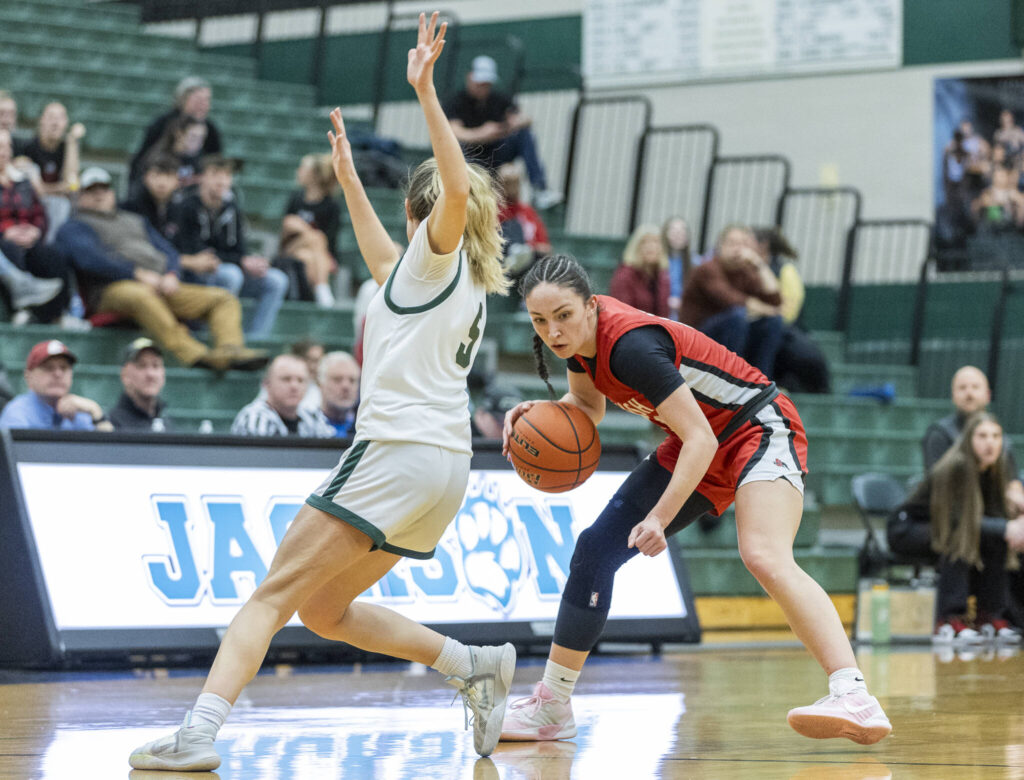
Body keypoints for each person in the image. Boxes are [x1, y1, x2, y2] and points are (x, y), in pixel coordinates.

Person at [129, 15, 515, 771]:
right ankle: (471, 665)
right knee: (323, 608)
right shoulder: (452, 281)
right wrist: (346, 178)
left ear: (430, 214)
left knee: (269, 596)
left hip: (396, 454)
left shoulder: (436, 256)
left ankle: (199, 734)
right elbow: (379, 258)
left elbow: (452, 186)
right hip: (445, 470)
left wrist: (427, 91)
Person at [498, 254, 891, 746]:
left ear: (591, 305)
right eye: (540, 321)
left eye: (563, 316)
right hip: (696, 440)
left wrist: (660, 518)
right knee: (596, 549)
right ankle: (551, 707)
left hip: (757, 426)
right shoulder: (578, 347)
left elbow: (702, 439)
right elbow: (586, 407)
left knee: (764, 554)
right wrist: (536, 413)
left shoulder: (630, 346)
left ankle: (852, 692)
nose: (553, 331)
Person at [56, 167, 268, 372]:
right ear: (80, 196)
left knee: (223, 298)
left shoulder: (134, 219)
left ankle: (231, 350)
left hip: (160, 283)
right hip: (112, 290)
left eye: (104, 190)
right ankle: (195, 354)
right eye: (91, 191)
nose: (99, 195)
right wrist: (136, 274)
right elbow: (91, 260)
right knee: (140, 295)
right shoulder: (74, 226)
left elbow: (169, 252)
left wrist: (171, 274)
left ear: (112, 193)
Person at [888, 412, 1024, 643]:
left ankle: (989, 616)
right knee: (959, 538)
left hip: (947, 527)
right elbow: (958, 522)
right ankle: (948, 620)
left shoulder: (995, 468)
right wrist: (1006, 528)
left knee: (993, 540)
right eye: (982, 436)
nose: (990, 442)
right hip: (909, 527)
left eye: (995, 436)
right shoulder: (955, 466)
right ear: (968, 440)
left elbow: (993, 517)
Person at [171, 155, 289, 339]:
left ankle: (255, 339)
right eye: (216, 174)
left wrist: (251, 261)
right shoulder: (187, 206)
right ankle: (221, 337)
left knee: (276, 280)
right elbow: (196, 252)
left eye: (227, 175)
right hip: (195, 273)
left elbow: (239, 249)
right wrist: (241, 261)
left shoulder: (232, 207)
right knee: (231, 275)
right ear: (202, 177)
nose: (222, 180)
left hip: (226, 267)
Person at [444, 55, 561, 209]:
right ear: (470, 78)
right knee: (460, 151)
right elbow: (455, 132)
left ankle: (540, 188)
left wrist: (511, 125)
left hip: (497, 152)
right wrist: (482, 133)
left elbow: (524, 119)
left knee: (524, 134)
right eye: (480, 83)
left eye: (487, 84)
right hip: (472, 156)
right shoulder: (456, 102)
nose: (483, 88)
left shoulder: (498, 99)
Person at [680, 224, 784, 379]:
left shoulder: (745, 271)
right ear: (720, 246)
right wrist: (765, 309)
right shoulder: (707, 269)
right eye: (732, 243)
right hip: (697, 338)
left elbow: (775, 300)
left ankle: (762, 381)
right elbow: (730, 299)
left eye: (743, 244)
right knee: (737, 316)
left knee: (773, 321)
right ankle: (732, 378)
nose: (738, 249)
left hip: (732, 335)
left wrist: (759, 263)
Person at [0, 128, 75, 325]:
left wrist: (35, 230)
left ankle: (58, 314)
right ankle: (20, 311)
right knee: (10, 251)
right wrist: (6, 232)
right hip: (4, 240)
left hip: (28, 236)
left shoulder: (22, 181)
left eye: (7, 146)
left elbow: (39, 213)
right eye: (0, 146)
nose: (4, 151)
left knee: (52, 256)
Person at [753, 226, 830, 394]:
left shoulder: (785, 270)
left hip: (788, 337)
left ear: (763, 245)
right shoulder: (747, 271)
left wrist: (760, 310)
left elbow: (788, 313)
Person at [0, 339, 113, 431]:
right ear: (28, 377)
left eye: (64, 368)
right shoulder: (17, 414)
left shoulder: (81, 412)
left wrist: (96, 411)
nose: (58, 374)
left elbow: (110, 454)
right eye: (48, 368)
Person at [131, 77, 222, 186]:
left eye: (207, 100)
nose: (204, 105)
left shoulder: (210, 129)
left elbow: (216, 161)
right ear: (183, 99)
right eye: (198, 100)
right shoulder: (162, 124)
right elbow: (142, 160)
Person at [279, 153, 341, 307]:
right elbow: (285, 230)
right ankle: (322, 289)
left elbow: (329, 242)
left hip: (320, 254)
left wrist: (302, 228)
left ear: (315, 176)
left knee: (307, 256)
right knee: (316, 237)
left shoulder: (331, 206)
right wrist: (306, 233)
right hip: (292, 248)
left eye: (302, 168)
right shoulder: (296, 198)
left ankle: (308, 302)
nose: (298, 171)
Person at [231, 354, 334, 438]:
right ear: (266, 384)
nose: (294, 386)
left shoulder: (312, 417)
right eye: (286, 379)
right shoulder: (254, 418)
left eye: (300, 380)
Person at [496, 163, 551, 280]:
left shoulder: (527, 212)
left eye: (515, 182)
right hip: (501, 255)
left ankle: (520, 255)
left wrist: (530, 249)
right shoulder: (492, 210)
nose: (511, 187)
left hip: (528, 259)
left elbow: (545, 247)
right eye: (507, 182)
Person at [107, 337, 172, 432]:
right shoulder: (111, 425)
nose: (150, 374)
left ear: (163, 374)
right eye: (141, 366)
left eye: (156, 365)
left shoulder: (166, 422)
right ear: (125, 375)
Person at [608, 223, 671, 319]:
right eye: (645, 242)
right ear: (636, 247)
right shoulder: (625, 275)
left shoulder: (662, 276)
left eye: (656, 242)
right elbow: (622, 314)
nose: (651, 247)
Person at [120, 153, 182, 239]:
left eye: (168, 176)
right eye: (156, 175)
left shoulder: (181, 211)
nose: (162, 183)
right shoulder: (129, 210)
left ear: (178, 181)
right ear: (145, 178)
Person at [314, 350, 360, 438]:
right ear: (320, 384)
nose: (346, 386)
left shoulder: (367, 428)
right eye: (337, 379)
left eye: (352, 380)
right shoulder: (304, 428)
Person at [661, 216, 692, 321]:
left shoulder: (694, 261)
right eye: (674, 230)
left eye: (682, 231)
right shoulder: (658, 260)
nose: (678, 234)